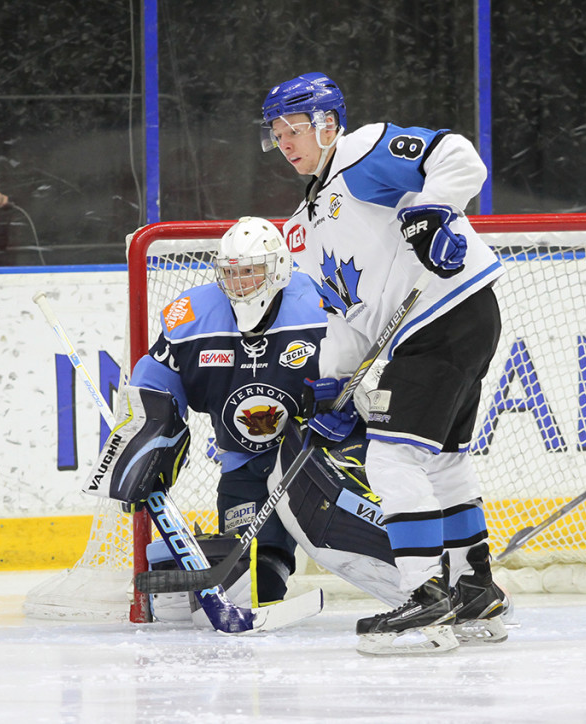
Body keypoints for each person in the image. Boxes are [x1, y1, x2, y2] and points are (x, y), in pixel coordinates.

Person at [261, 72, 509, 654]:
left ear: (326, 123)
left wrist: (432, 210)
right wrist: (332, 389)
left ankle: (424, 598)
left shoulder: (363, 152)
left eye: (292, 129)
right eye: (276, 133)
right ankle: (475, 587)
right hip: (442, 327)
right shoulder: (305, 225)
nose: (284, 143)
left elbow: (458, 156)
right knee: (443, 460)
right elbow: (346, 316)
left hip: (445, 315)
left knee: (392, 456)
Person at [121, 216, 400, 622]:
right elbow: (154, 390)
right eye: (232, 273)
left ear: (280, 269)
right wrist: (141, 444)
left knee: (351, 535)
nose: (241, 283)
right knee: (255, 574)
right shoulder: (190, 317)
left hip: (322, 453)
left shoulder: (320, 304)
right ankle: (267, 575)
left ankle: (434, 586)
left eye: (252, 271)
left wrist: (351, 406)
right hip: (244, 463)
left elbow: (376, 374)